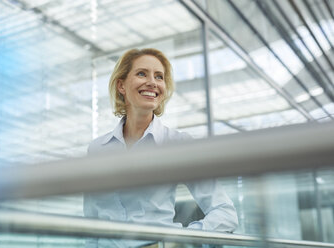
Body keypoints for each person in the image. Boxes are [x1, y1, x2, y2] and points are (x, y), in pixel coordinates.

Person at [84, 48, 238, 247]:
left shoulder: (177, 144)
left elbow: (226, 213)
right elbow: (91, 224)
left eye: (159, 76)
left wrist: (179, 240)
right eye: (142, 73)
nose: (152, 82)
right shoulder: (97, 149)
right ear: (121, 85)